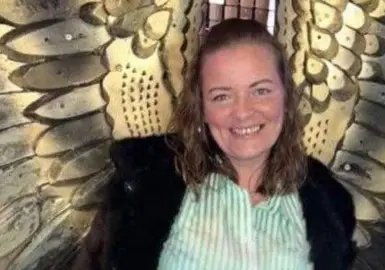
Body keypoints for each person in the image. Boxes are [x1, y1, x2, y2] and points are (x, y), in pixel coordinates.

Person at [71, 18, 356, 270]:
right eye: (222, 96)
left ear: (285, 96)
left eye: (261, 90)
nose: (243, 111)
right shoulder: (143, 188)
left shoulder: (328, 205)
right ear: (201, 108)